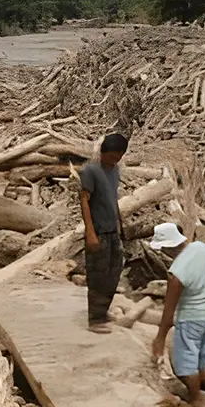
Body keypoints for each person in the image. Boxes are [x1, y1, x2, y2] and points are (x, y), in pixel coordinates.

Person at [149, 221, 205, 406]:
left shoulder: (176, 273)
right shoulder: (201, 248)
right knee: (200, 354)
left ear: (167, 247)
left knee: (184, 364)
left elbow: (168, 312)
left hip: (191, 317)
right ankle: (201, 388)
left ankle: (196, 399)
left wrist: (160, 338)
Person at [79, 132, 129, 333]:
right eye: (112, 156)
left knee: (113, 273)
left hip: (112, 231)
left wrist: (120, 225)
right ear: (103, 152)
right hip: (98, 231)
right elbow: (84, 202)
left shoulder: (115, 171)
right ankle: (95, 319)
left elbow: (112, 198)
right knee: (98, 276)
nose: (115, 159)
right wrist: (90, 233)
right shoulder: (90, 172)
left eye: (119, 156)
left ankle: (102, 310)